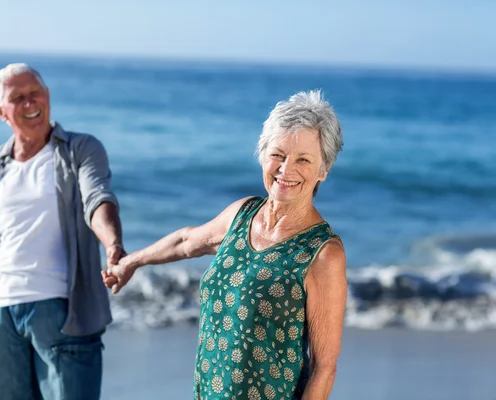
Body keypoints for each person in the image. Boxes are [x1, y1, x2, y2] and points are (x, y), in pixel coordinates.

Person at [103, 90, 346, 399]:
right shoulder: (241, 214)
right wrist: (131, 262)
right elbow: (187, 241)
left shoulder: (323, 253)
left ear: (324, 170)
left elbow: (325, 367)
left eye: (303, 160)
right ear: (262, 155)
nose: (286, 170)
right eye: (278, 155)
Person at [0, 63, 123, 399]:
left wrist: (113, 243)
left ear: (47, 95)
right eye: (17, 97)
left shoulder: (80, 149)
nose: (29, 102)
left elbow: (97, 198)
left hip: (62, 312)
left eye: (35, 92)